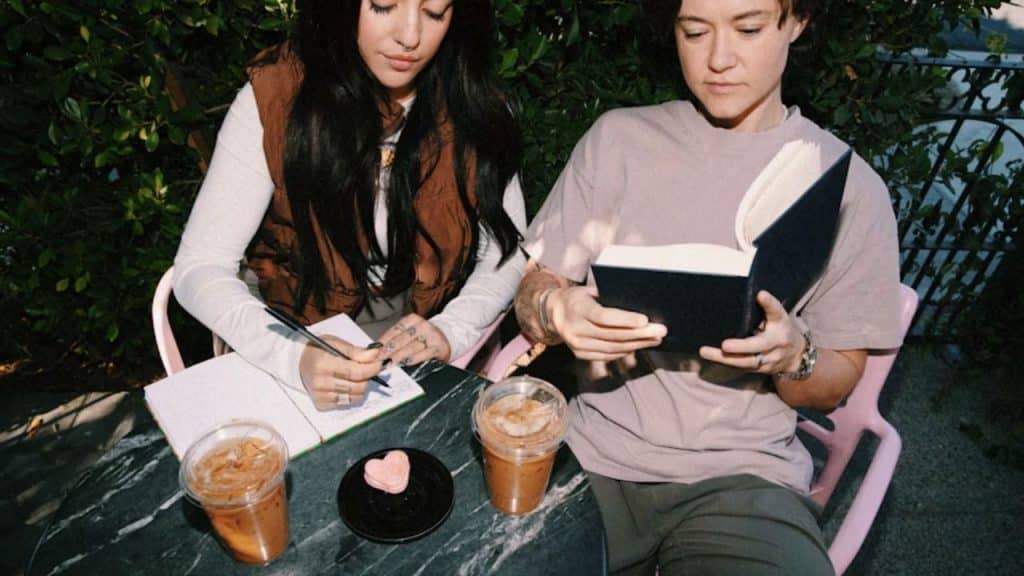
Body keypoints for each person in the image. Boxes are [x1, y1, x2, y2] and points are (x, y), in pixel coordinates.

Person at [513, 0, 902, 574]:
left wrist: (795, 355)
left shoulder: (848, 187)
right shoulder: (619, 140)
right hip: (591, 455)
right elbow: (531, 294)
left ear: (797, 22)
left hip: (745, 479)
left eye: (748, 28)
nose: (718, 58)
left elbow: (833, 385)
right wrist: (554, 305)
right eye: (694, 31)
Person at [173, 0, 526, 411]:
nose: (410, 36)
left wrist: (453, 329)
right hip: (290, 323)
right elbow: (200, 267)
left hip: (417, 326)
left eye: (435, 12)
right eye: (383, 5)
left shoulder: (476, 107)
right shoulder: (277, 97)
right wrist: (293, 356)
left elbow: (508, 253)